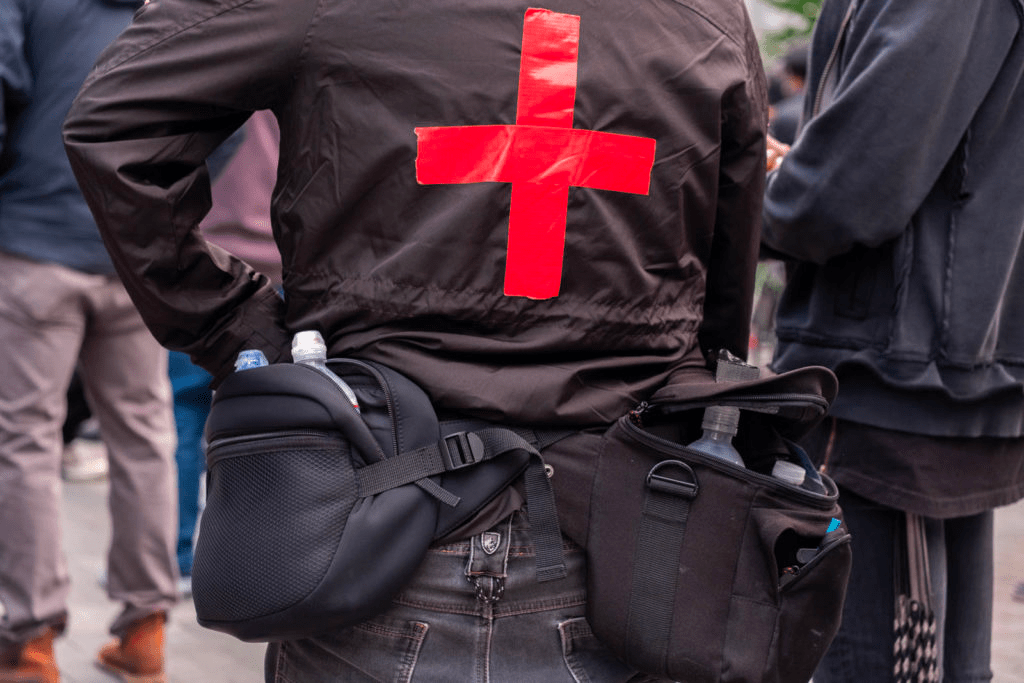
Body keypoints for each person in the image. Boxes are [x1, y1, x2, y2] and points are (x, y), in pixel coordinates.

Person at [62, 0, 768, 680]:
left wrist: (239, 331)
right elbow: (724, 292)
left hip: (373, 509)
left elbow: (117, 124)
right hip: (616, 535)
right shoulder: (709, 15)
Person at [760, 0, 1024, 681]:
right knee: (934, 667)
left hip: (892, 382)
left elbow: (845, 193)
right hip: (933, 374)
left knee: (879, 665)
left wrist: (749, 197)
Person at [0, 0, 180, 681]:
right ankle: (145, 627)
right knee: (144, 434)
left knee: (25, 439)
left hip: (33, 240)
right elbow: (224, 118)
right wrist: (161, 208)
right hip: (133, 252)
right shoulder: (170, 9)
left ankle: (31, 636)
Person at [170, 109, 281, 598]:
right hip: (281, 265)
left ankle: (175, 557)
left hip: (206, 258)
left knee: (182, 416)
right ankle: (252, 565)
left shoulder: (212, 72)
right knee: (268, 425)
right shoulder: (317, 72)